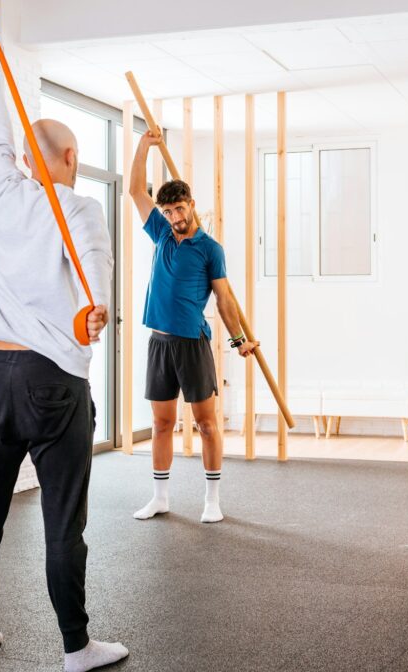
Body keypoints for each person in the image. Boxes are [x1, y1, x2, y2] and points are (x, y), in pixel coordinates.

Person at [0, 17, 128, 672]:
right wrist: (92, 313)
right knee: (62, 525)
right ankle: (77, 648)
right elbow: (94, 277)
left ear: (26, 160)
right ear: (74, 160)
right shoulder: (78, 209)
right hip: (54, 382)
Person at [128, 130, 258, 524]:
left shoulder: (210, 249)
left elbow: (224, 299)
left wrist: (239, 340)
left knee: (205, 423)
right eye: (168, 212)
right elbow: (135, 190)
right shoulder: (161, 236)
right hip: (159, 344)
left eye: (179, 210)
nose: (174, 218)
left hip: (191, 344)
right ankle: (160, 497)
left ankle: (212, 500)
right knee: (162, 423)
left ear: (191, 205)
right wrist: (143, 146)